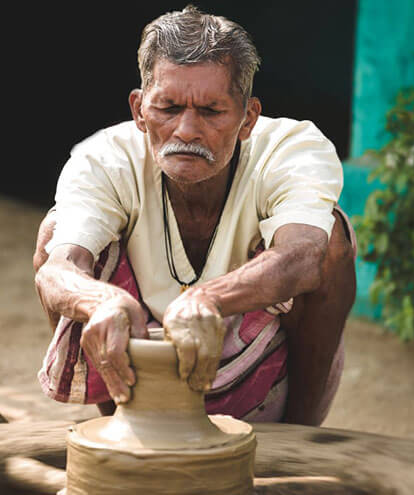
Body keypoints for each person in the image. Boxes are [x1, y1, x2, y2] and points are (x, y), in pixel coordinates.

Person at [33, 5, 356, 425]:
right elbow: (58, 267)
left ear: (248, 118)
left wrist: (208, 299)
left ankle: (300, 440)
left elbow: (307, 253)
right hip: (139, 369)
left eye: (211, 111)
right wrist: (102, 300)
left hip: (265, 382)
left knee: (331, 240)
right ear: (139, 111)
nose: (186, 130)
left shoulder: (292, 149)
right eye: (168, 108)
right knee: (54, 234)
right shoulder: (105, 159)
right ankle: (117, 427)